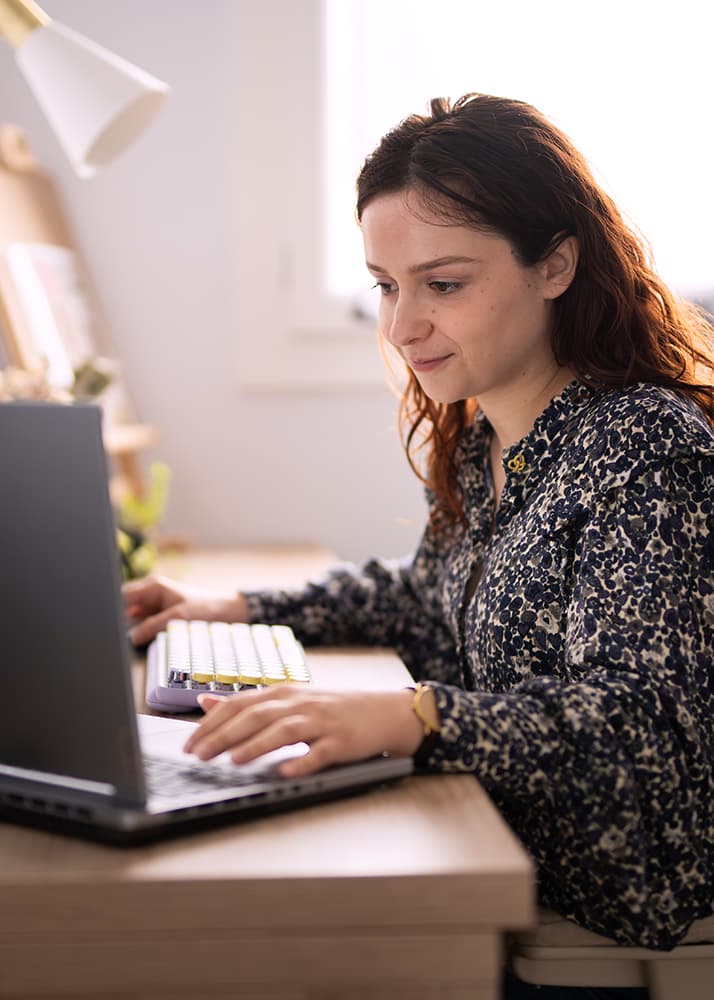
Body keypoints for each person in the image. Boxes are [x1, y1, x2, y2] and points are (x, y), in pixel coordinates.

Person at [124, 94, 714, 999]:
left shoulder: (645, 449)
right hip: (494, 841)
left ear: (555, 264)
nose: (402, 328)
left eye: (443, 284)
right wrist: (233, 608)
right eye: (386, 286)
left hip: (602, 912)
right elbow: (422, 595)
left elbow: (637, 727)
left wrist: (414, 716)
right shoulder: (493, 436)